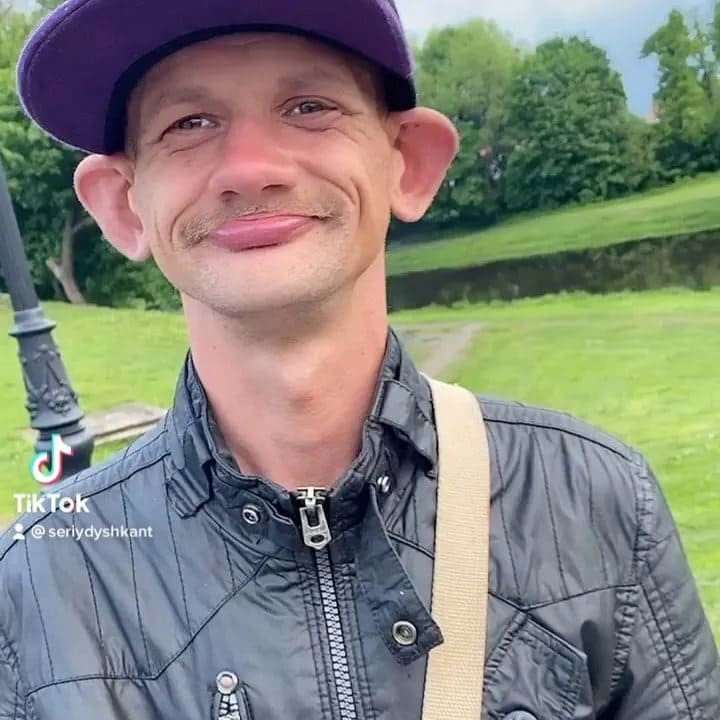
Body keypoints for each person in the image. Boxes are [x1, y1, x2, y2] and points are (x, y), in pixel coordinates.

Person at [1, 0, 718, 717]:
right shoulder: (39, 581)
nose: (249, 168)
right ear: (123, 205)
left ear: (409, 163)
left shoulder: (596, 498)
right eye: (189, 123)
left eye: (309, 107)